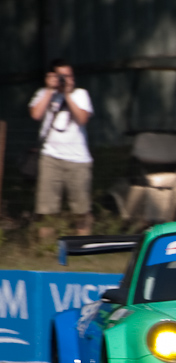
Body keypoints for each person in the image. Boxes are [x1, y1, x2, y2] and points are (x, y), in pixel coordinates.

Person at [29, 58, 94, 235]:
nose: (66, 79)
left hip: (78, 160)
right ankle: (46, 251)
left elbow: (82, 119)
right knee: (46, 210)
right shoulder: (44, 93)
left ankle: (85, 249)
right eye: (61, 76)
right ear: (51, 76)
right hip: (50, 158)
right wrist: (50, 90)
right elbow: (35, 114)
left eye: (69, 76)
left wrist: (66, 95)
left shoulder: (81, 94)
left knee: (81, 210)